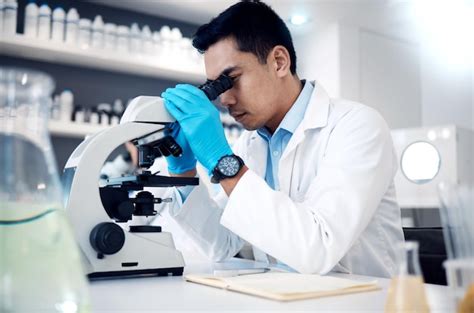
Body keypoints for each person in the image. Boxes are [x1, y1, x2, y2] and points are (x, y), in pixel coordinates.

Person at [160, 0, 404, 277]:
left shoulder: (357, 126)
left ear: (278, 62)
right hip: (284, 298)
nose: (224, 98)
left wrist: (223, 162)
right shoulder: (252, 144)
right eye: (215, 86)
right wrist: (183, 174)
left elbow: (318, 249)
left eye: (232, 79)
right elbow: (223, 244)